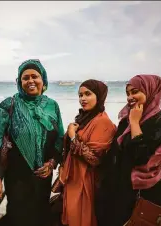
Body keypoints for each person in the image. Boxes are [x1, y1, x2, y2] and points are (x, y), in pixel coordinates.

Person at [0, 59, 65, 226]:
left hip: (43, 175)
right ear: (19, 82)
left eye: (35, 76)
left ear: (43, 80)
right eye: (25, 77)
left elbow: (59, 138)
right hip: (16, 177)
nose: (30, 81)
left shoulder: (52, 106)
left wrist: (52, 163)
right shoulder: (9, 104)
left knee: (41, 215)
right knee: (18, 215)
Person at [96, 74, 161, 226]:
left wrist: (135, 123)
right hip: (117, 190)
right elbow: (116, 153)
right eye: (127, 93)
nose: (130, 97)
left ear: (151, 91)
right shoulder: (125, 120)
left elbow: (144, 160)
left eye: (135, 92)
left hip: (144, 193)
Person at [58, 79, 116, 226]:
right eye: (80, 95)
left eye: (87, 94)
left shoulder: (103, 122)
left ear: (99, 96)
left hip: (86, 181)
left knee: (81, 218)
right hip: (74, 178)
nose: (82, 99)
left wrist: (72, 136)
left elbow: (94, 159)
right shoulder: (84, 118)